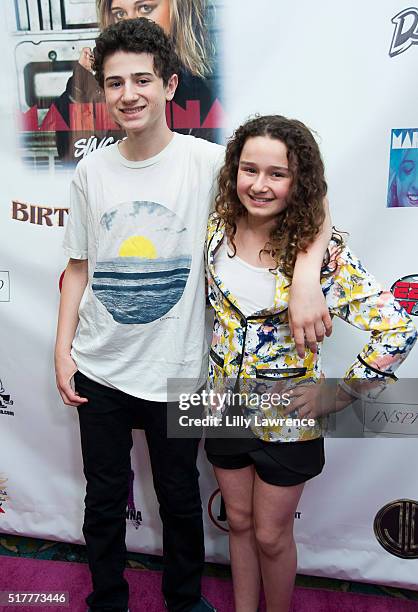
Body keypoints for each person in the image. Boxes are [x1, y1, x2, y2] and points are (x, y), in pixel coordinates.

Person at [54, 19, 332, 612]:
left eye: (142, 79)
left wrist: (307, 277)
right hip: (99, 368)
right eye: (113, 82)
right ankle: (106, 598)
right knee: (103, 499)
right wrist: (62, 351)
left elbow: (308, 194)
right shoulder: (89, 172)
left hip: (180, 371)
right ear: (101, 92)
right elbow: (77, 268)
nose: (128, 93)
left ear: (170, 84)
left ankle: (184, 600)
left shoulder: (211, 163)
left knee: (180, 496)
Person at [204, 115, 417, 612]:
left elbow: (399, 326)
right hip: (222, 407)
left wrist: (340, 393)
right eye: (248, 169)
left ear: (299, 182)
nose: (259, 185)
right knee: (236, 522)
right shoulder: (217, 229)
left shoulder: (324, 256)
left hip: (288, 422)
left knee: (272, 536)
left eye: (277, 174)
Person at [55, 0, 218, 162]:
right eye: (120, 13)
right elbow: (70, 155)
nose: (132, 22)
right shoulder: (95, 88)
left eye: (145, 8)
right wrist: (80, 86)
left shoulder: (197, 96)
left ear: (177, 12)